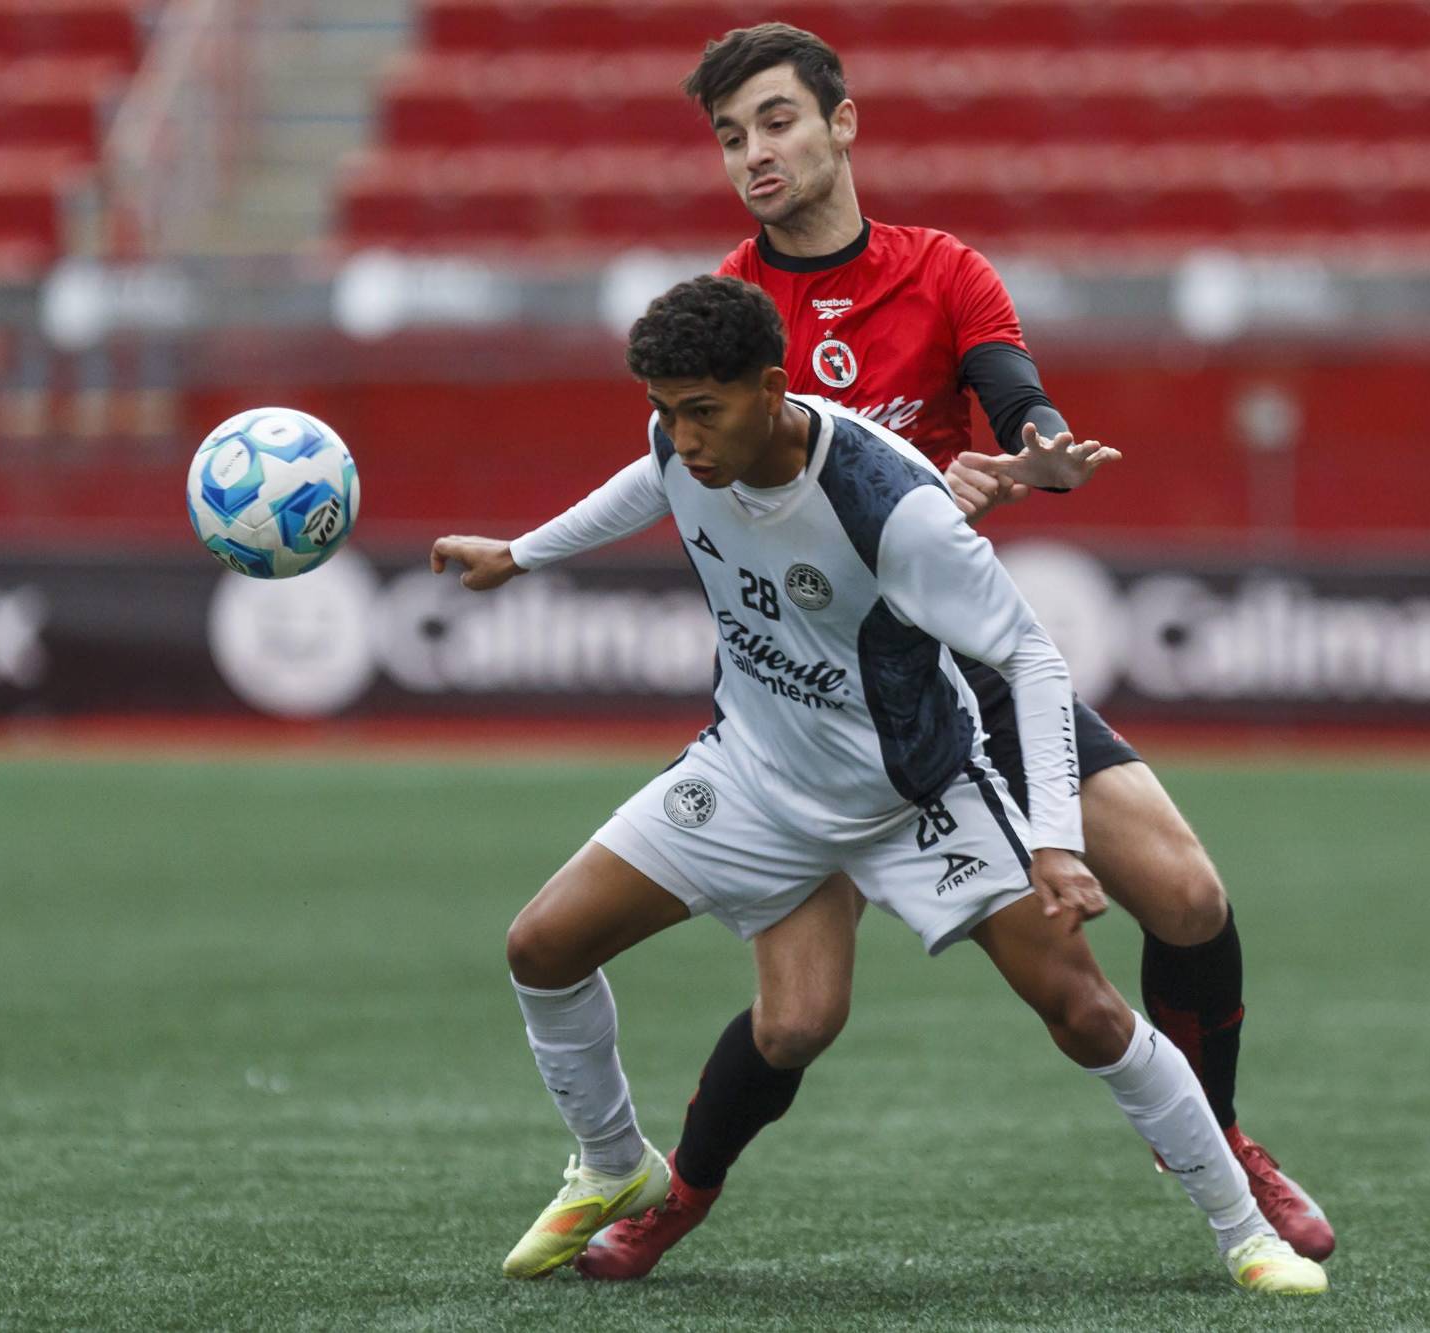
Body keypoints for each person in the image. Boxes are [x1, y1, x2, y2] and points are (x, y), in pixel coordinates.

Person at [578, 24, 1334, 1283]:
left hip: (963, 671)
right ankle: (680, 1192)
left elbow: (1008, 382)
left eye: (775, 121)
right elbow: (711, 494)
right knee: (798, 1018)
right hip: (814, 700)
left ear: (841, 123)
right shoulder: (719, 313)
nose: (753, 153)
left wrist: (1028, 448)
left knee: (1190, 896)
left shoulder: (940, 271)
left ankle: (1218, 1139)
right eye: (729, 135)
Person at [432, 275, 1325, 1295]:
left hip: (913, 797)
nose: (680, 438)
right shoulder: (682, 445)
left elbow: (1031, 659)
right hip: (754, 775)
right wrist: (521, 554)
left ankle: (1242, 1230)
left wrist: (1050, 838)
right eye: (664, 411)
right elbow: (648, 483)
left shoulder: (888, 503)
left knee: (1082, 1008)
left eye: (701, 411)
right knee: (542, 946)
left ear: (772, 389)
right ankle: (612, 1162)